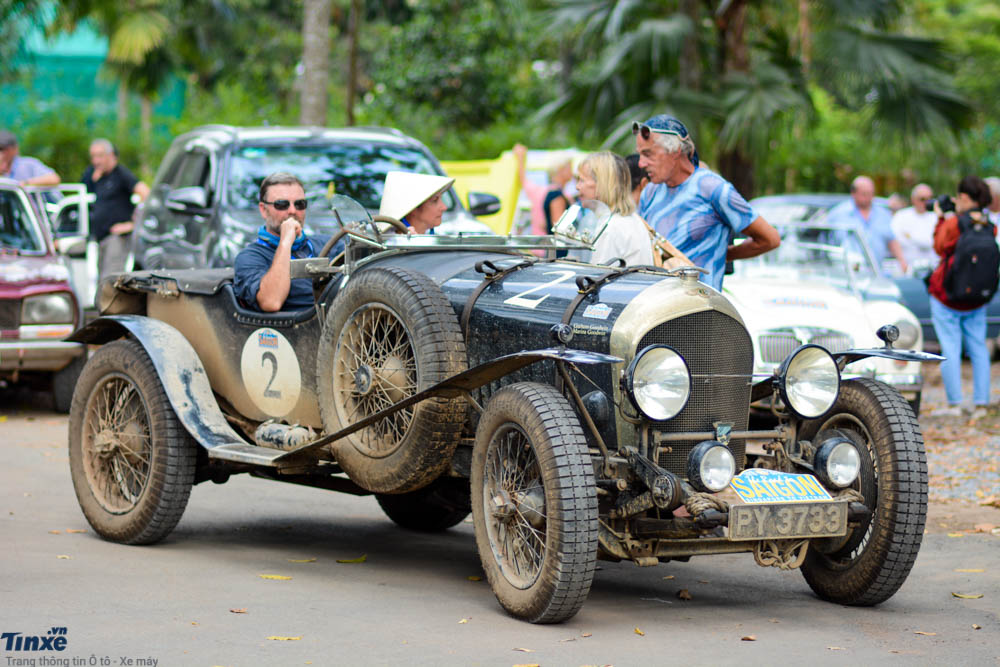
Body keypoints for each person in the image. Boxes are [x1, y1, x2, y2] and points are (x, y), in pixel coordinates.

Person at [633, 114, 780, 291]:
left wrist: (723, 255)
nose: (641, 163)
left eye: (648, 154)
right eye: (640, 155)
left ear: (675, 150)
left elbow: (770, 239)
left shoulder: (713, 189)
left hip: (699, 304)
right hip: (654, 301)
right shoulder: (650, 192)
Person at [926, 176, 995, 417]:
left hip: (947, 297)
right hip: (977, 298)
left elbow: (939, 247)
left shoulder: (954, 223)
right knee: (979, 348)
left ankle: (955, 404)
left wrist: (941, 218)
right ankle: (981, 403)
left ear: (965, 197)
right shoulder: (989, 224)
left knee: (950, 347)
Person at [233, 172, 338, 312]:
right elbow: (271, 302)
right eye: (282, 204)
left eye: (300, 204)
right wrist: (286, 241)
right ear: (263, 210)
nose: (293, 211)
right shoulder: (250, 257)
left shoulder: (331, 245)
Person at [82, 139, 150, 282]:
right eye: (93, 156)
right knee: (100, 279)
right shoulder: (93, 175)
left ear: (111, 155)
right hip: (99, 237)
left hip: (117, 237)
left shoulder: (121, 174)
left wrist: (133, 224)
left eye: (100, 156)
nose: (96, 161)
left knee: (111, 279)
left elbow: (146, 194)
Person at [575, 152, 653, 266]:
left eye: (582, 180)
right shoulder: (628, 219)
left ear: (602, 184)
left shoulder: (611, 227)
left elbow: (598, 273)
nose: (577, 187)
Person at [828, 175, 908, 274]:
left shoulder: (883, 214)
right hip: (848, 273)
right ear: (853, 193)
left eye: (871, 194)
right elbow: (827, 242)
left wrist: (902, 261)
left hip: (876, 272)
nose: (868, 197)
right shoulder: (838, 214)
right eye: (864, 194)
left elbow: (891, 239)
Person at [379, 171, 455, 234]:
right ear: (413, 208)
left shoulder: (438, 239)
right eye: (435, 200)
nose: (444, 207)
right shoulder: (389, 244)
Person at [890, 183, 937, 271]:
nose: (926, 203)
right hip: (908, 268)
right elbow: (893, 241)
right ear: (913, 199)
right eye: (922, 199)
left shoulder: (936, 217)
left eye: (930, 199)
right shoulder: (901, 216)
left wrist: (911, 238)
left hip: (933, 268)